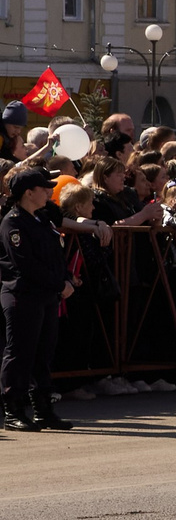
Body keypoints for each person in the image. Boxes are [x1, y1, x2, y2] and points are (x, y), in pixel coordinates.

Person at [0, 167, 68, 430]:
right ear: (29, 193)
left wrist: (67, 280)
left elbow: (54, 255)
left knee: (43, 352)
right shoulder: (13, 222)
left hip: (46, 294)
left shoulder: (41, 219)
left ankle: (43, 409)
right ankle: (13, 409)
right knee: (20, 352)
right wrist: (59, 283)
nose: (49, 192)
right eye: (43, 188)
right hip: (23, 294)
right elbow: (25, 264)